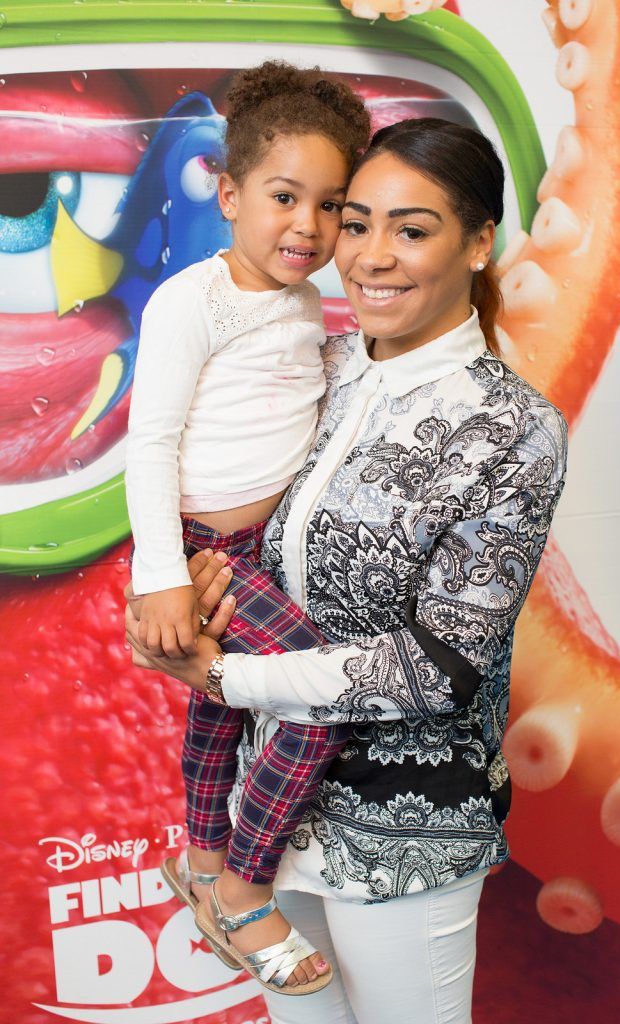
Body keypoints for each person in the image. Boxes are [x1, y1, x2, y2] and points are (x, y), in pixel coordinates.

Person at [126, 117, 568, 1023]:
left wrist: (220, 672)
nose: (369, 255)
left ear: (480, 243)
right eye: (355, 221)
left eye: (412, 229)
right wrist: (168, 585)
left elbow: (438, 668)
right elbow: (197, 486)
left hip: (403, 828)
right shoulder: (316, 367)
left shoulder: (512, 429)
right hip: (273, 816)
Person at [125, 61, 371, 995]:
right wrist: (162, 574)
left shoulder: (306, 300)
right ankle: (239, 886)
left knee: (222, 706)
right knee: (321, 698)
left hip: (269, 553)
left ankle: (197, 857)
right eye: (282, 197)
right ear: (228, 195)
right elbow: (150, 441)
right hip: (208, 550)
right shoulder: (192, 300)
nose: (306, 226)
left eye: (330, 205)